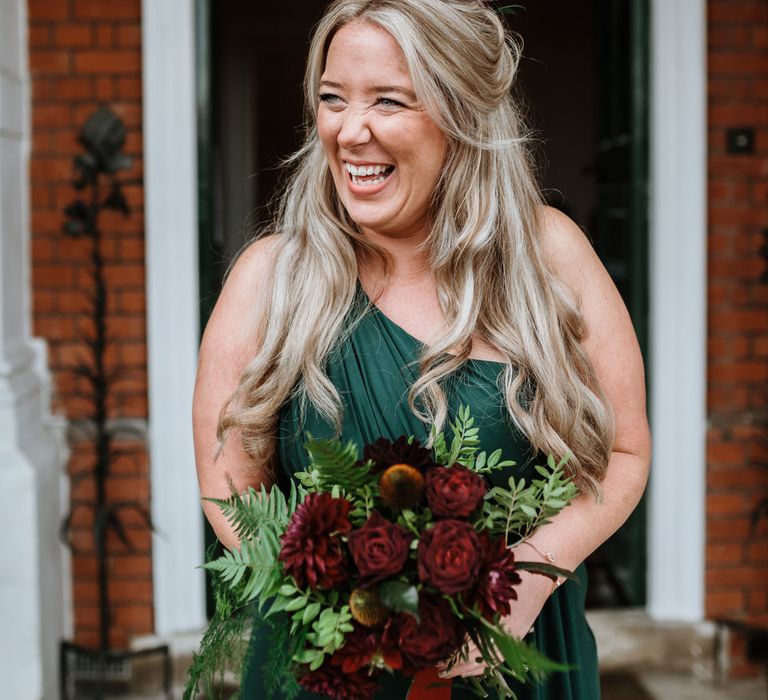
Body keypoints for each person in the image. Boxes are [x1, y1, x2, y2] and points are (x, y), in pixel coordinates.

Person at [192, 0, 651, 698]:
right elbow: (231, 491)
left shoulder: (547, 256)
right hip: (333, 675)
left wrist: (525, 577)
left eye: (389, 101)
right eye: (332, 98)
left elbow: (623, 454)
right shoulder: (271, 278)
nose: (350, 130)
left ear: (460, 112)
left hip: (515, 665)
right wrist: (339, 609)